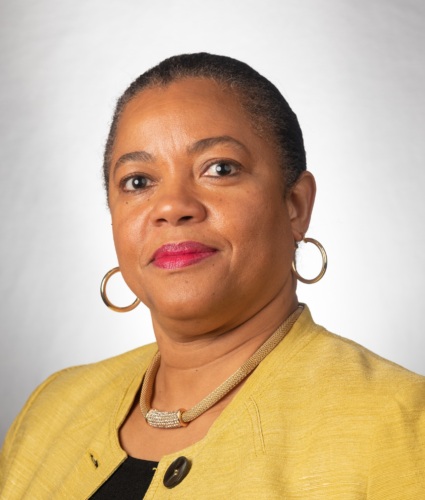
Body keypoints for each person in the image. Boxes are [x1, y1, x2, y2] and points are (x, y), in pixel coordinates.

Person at [1, 53, 424, 499]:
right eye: (138, 182)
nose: (172, 206)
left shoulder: (401, 423)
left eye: (219, 169)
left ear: (296, 206)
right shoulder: (53, 408)